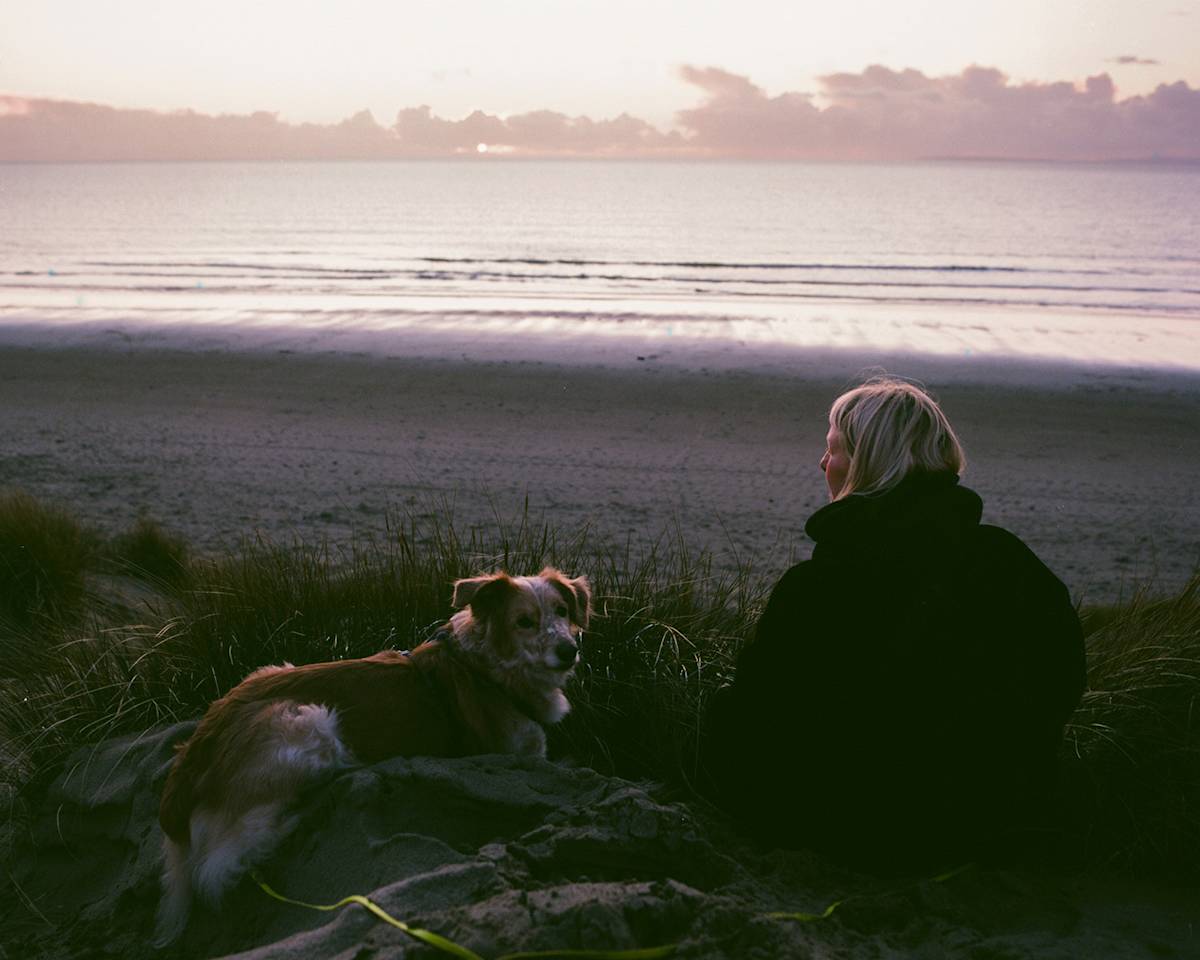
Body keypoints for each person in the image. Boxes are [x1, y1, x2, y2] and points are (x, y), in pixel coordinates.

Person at [702, 375, 1086, 869]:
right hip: (989, 819)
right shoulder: (1007, 562)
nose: (823, 463)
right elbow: (1062, 678)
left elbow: (759, 710)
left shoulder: (818, 586)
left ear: (868, 462)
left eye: (833, 449)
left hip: (843, 826)